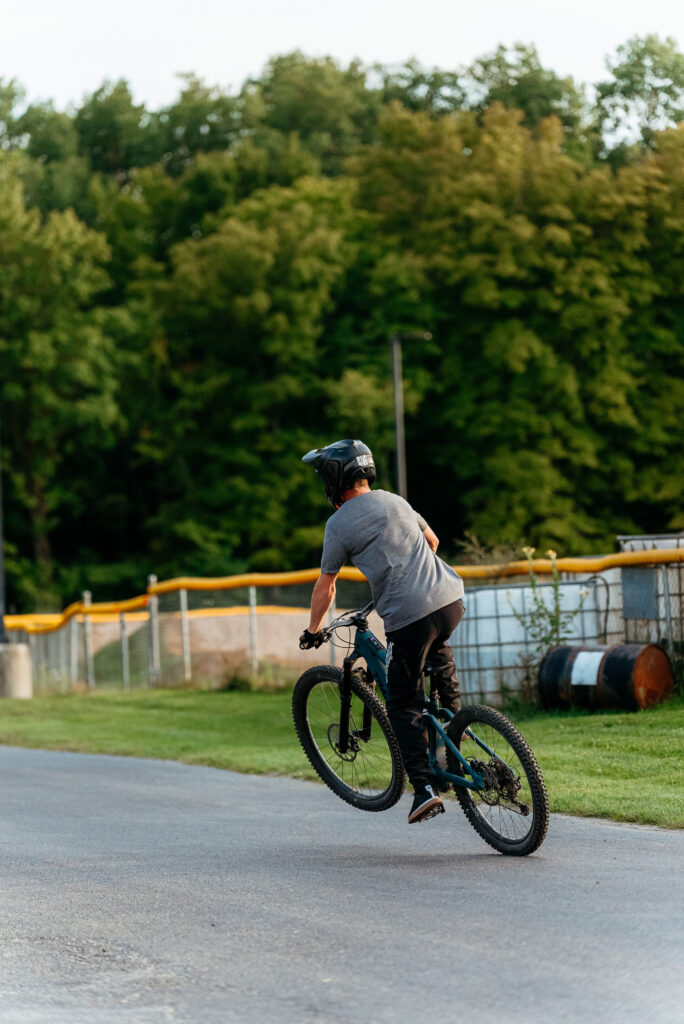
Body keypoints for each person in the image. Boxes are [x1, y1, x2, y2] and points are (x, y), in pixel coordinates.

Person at [299, 439, 465, 824]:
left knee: (402, 700)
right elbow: (432, 540)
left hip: (410, 615)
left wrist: (313, 630)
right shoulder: (394, 499)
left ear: (333, 478)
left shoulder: (338, 524)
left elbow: (327, 587)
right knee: (441, 677)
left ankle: (423, 789)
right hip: (450, 598)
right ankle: (461, 749)